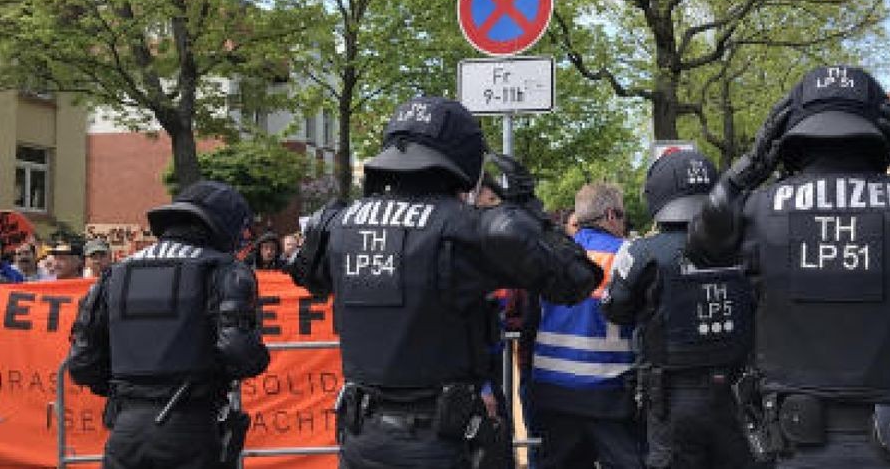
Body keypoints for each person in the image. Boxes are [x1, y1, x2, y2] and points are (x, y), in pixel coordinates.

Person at [687, 65, 890, 468]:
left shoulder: (758, 210)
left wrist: (746, 172)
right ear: (886, 136)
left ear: (788, 139)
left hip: (795, 445)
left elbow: (702, 250)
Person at [287, 96, 602, 469]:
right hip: (444, 441)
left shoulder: (338, 223)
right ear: (463, 157)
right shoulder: (468, 228)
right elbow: (578, 279)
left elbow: (309, 278)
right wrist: (525, 206)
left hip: (362, 437)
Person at [67, 180, 271, 469]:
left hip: (125, 430)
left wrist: (130, 390)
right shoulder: (223, 270)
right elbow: (241, 354)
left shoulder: (115, 274)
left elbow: (82, 363)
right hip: (191, 427)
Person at [602, 149, 755, 468]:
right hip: (739, 392)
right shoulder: (747, 243)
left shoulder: (644, 253)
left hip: (672, 398)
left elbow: (616, 310)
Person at [531, 181, 644, 469]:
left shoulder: (550, 255)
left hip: (551, 390)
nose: (623, 223)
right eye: (622, 216)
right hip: (608, 390)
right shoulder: (627, 255)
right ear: (609, 215)